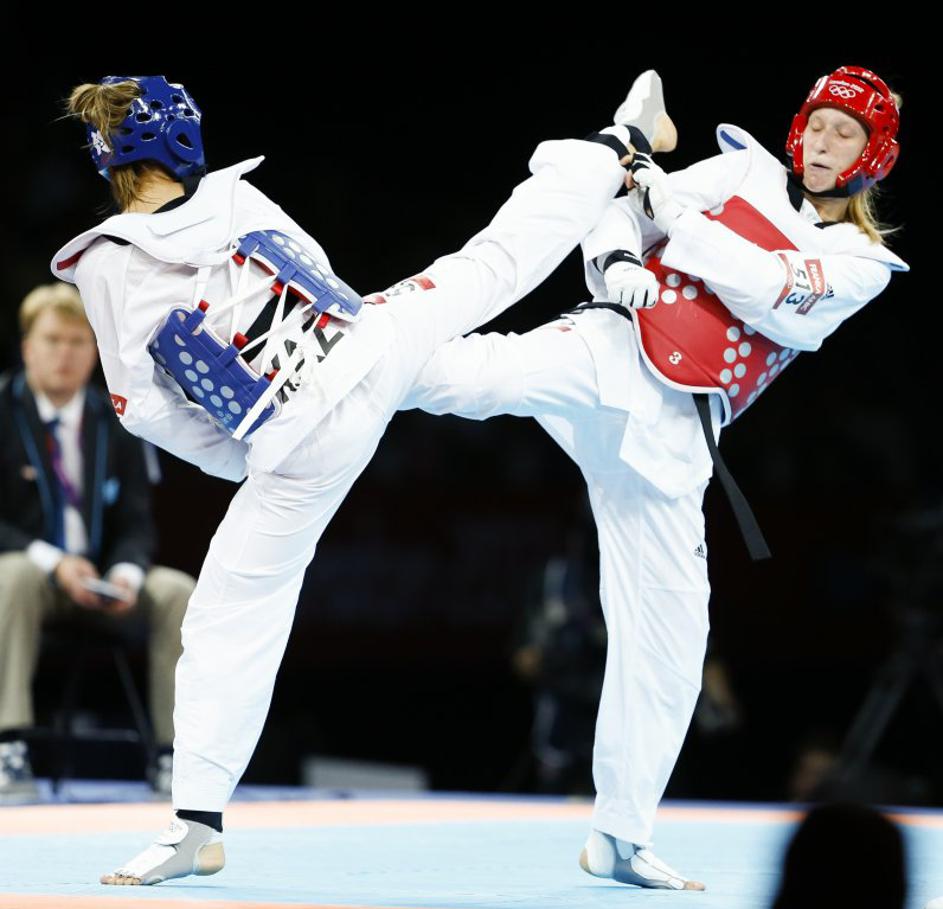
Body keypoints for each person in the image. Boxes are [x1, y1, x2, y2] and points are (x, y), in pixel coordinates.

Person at [50, 72, 673, 885]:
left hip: (299, 447)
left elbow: (140, 406)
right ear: (182, 136)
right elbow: (323, 276)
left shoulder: (108, 260)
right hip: (371, 351)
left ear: (107, 157)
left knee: (229, 617)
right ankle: (613, 151)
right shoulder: (238, 196)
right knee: (486, 268)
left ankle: (196, 824)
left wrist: (245, 455)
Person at [406, 65, 909, 890]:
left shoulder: (861, 262)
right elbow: (621, 208)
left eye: (843, 133)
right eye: (817, 125)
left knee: (671, 643)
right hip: (612, 346)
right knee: (470, 377)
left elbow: (766, 289)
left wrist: (674, 217)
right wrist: (616, 263)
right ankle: (335, 351)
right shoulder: (742, 169)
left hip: (675, 437)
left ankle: (619, 834)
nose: (822, 142)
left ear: (872, 154)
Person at [0, 282, 195, 801]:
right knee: (11, 575)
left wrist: (126, 572)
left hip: (103, 582)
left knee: (176, 591)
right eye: (53, 340)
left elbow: (137, 521)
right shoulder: (3, 410)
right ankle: (8, 748)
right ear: (28, 348)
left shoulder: (119, 418)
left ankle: (176, 757)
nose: (65, 354)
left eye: (78, 342)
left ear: (95, 351)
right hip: (31, 581)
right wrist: (55, 563)